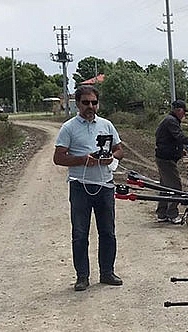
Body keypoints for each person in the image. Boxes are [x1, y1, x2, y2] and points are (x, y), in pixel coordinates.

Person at [53, 85, 124, 291]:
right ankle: (82, 276)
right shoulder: (69, 128)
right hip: (80, 187)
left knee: (108, 232)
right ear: (77, 104)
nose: (90, 106)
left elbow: (119, 150)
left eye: (94, 102)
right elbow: (58, 158)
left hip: (105, 186)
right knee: (80, 233)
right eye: (86, 103)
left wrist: (112, 157)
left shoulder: (107, 125)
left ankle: (107, 273)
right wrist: (82, 160)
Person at [154, 100, 188, 224]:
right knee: (175, 187)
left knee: (165, 187)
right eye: (184, 112)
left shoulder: (170, 120)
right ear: (178, 110)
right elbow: (179, 137)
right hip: (166, 159)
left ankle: (162, 213)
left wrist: (180, 150)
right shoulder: (171, 121)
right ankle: (172, 214)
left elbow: (170, 138)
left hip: (163, 156)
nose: (184, 115)